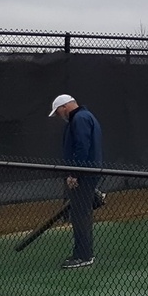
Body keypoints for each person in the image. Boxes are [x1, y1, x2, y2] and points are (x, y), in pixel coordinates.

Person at [49, 94, 103, 269]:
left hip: (84, 175)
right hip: (87, 173)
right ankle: (82, 253)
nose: (59, 116)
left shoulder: (79, 119)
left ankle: (84, 255)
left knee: (80, 216)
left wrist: (74, 174)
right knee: (81, 214)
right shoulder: (85, 116)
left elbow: (82, 147)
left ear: (64, 107)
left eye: (58, 112)